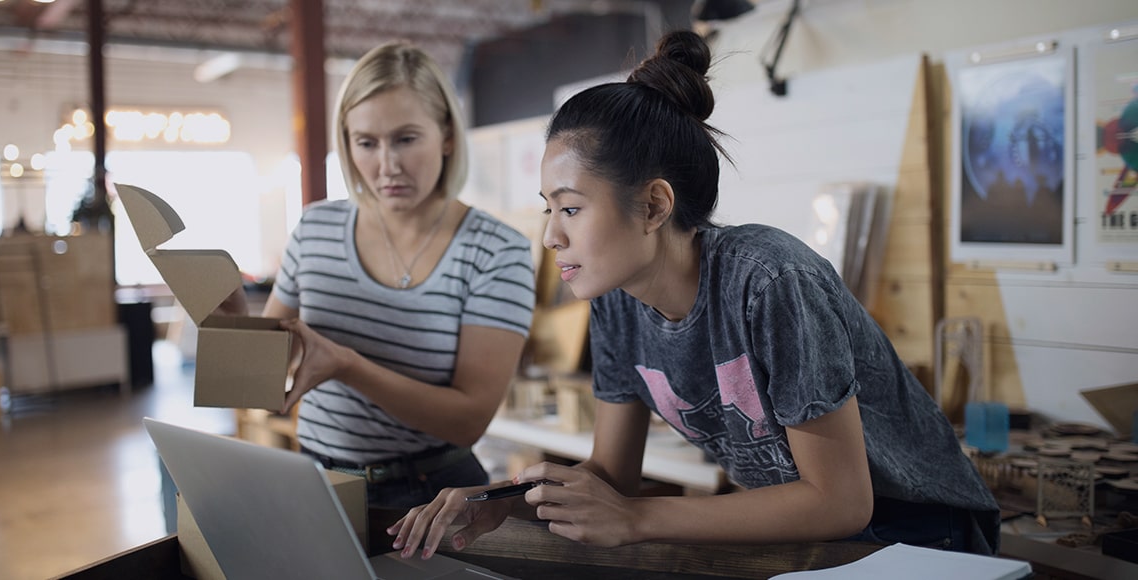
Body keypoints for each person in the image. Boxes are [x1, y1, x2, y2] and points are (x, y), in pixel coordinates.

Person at [387, 30, 1000, 559]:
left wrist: (638, 520)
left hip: (925, 538)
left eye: (571, 207)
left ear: (654, 205)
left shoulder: (770, 282)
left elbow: (839, 500)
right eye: (550, 209)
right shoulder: (615, 301)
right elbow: (611, 476)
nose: (551, 235)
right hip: (824, 543)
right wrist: (503, 502)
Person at [231, 41, 536, 509]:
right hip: (316, 483)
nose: (387, 166)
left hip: (430, 494)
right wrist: (229, 319)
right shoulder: (316, 228)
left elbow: (469, 420)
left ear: (448, 136)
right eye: (366, 143)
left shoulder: (496, 250)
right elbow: (260, 375)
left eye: (406, 139)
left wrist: (348, 366)